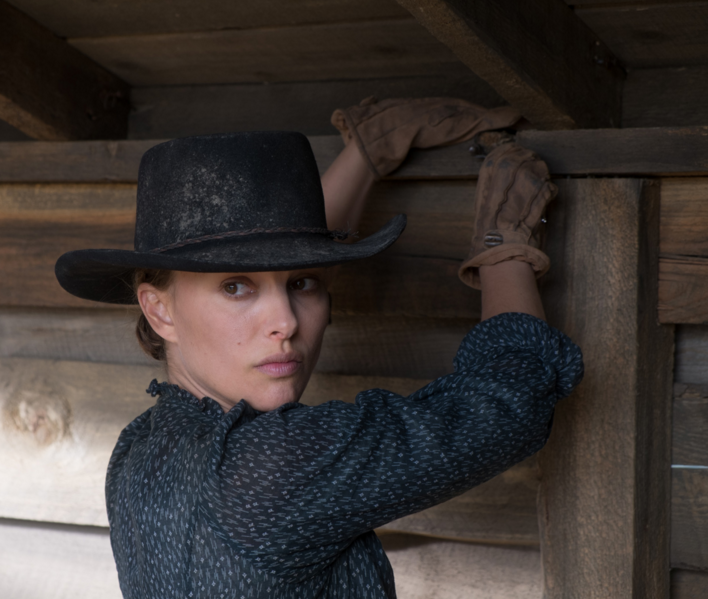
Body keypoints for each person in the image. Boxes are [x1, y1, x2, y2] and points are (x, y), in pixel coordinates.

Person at [54, 98, 584, 599]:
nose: (286, 322)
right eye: (235, 287)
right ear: (160, 311)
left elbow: (279, 261)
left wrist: (366, 153)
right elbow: (511, 405)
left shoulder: (137, 450)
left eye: (303, 283)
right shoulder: (272, 467)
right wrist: (504, 245)